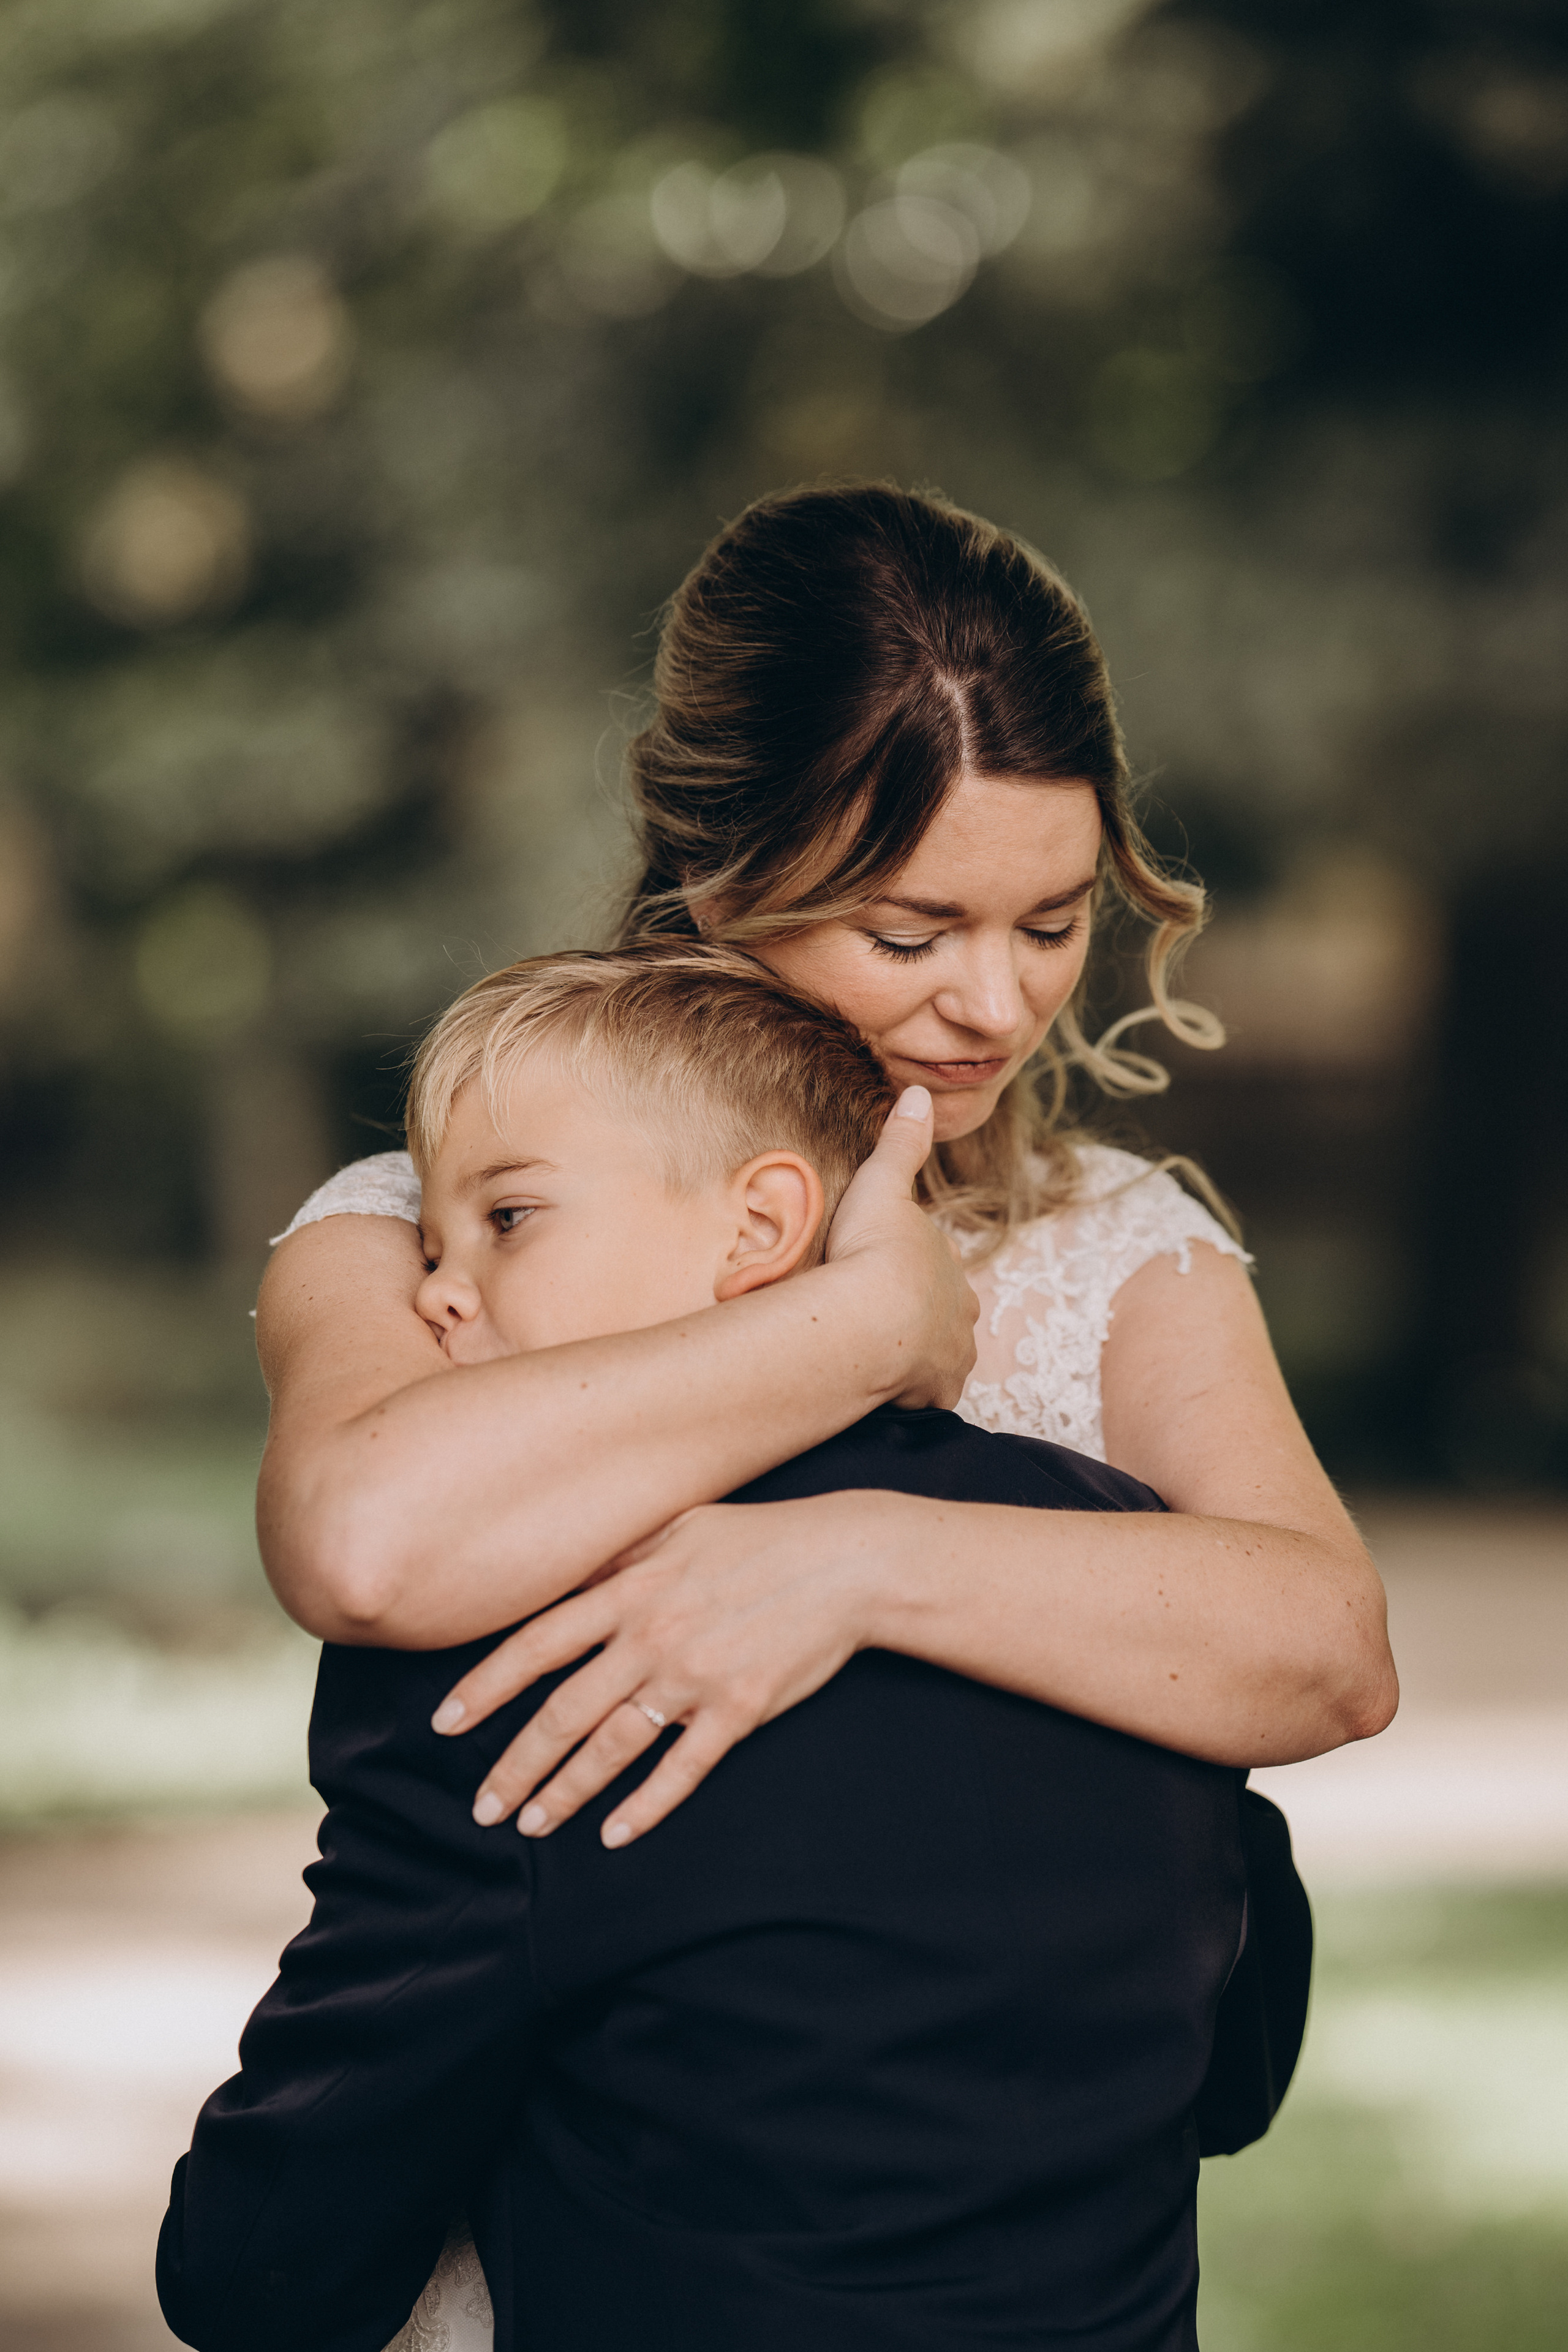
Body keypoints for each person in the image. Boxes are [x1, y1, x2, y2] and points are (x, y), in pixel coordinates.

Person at [254, 482, 1395, 1869]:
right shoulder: (440, 1236)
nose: (995, 1002)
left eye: (1050, 921)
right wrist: (863, 1330)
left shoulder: (1111, 1249)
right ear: (724, 880)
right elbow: (360, 1546)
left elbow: (1329, 1655)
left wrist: (858, 1565)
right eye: (910, 936)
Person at [157, 946, 1267, 2352]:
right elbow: (1233, 2068)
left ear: (759, 1229)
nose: (436, 1294)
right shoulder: (1121, 1567)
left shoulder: (526, 1637)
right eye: (431, 1247)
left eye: (506, 1220)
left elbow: (260, 2272)